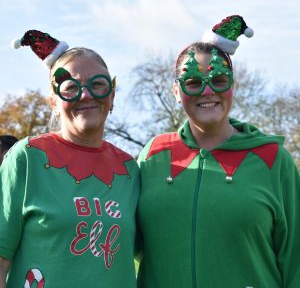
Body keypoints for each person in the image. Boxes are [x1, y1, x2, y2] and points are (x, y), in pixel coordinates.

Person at [137, 15, 300, 287]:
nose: (207, 91)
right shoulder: (154, 155)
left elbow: (296, 257)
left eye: (219, 80)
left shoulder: (272, 159)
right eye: (192, 83)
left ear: (233, 86)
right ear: (176, 91)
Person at [0, 30, 139, 287]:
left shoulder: (130, 169)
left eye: (97, 84)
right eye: (71, 88)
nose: (85, 95)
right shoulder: (27, 158)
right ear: (53, 102)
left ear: (112, 96)